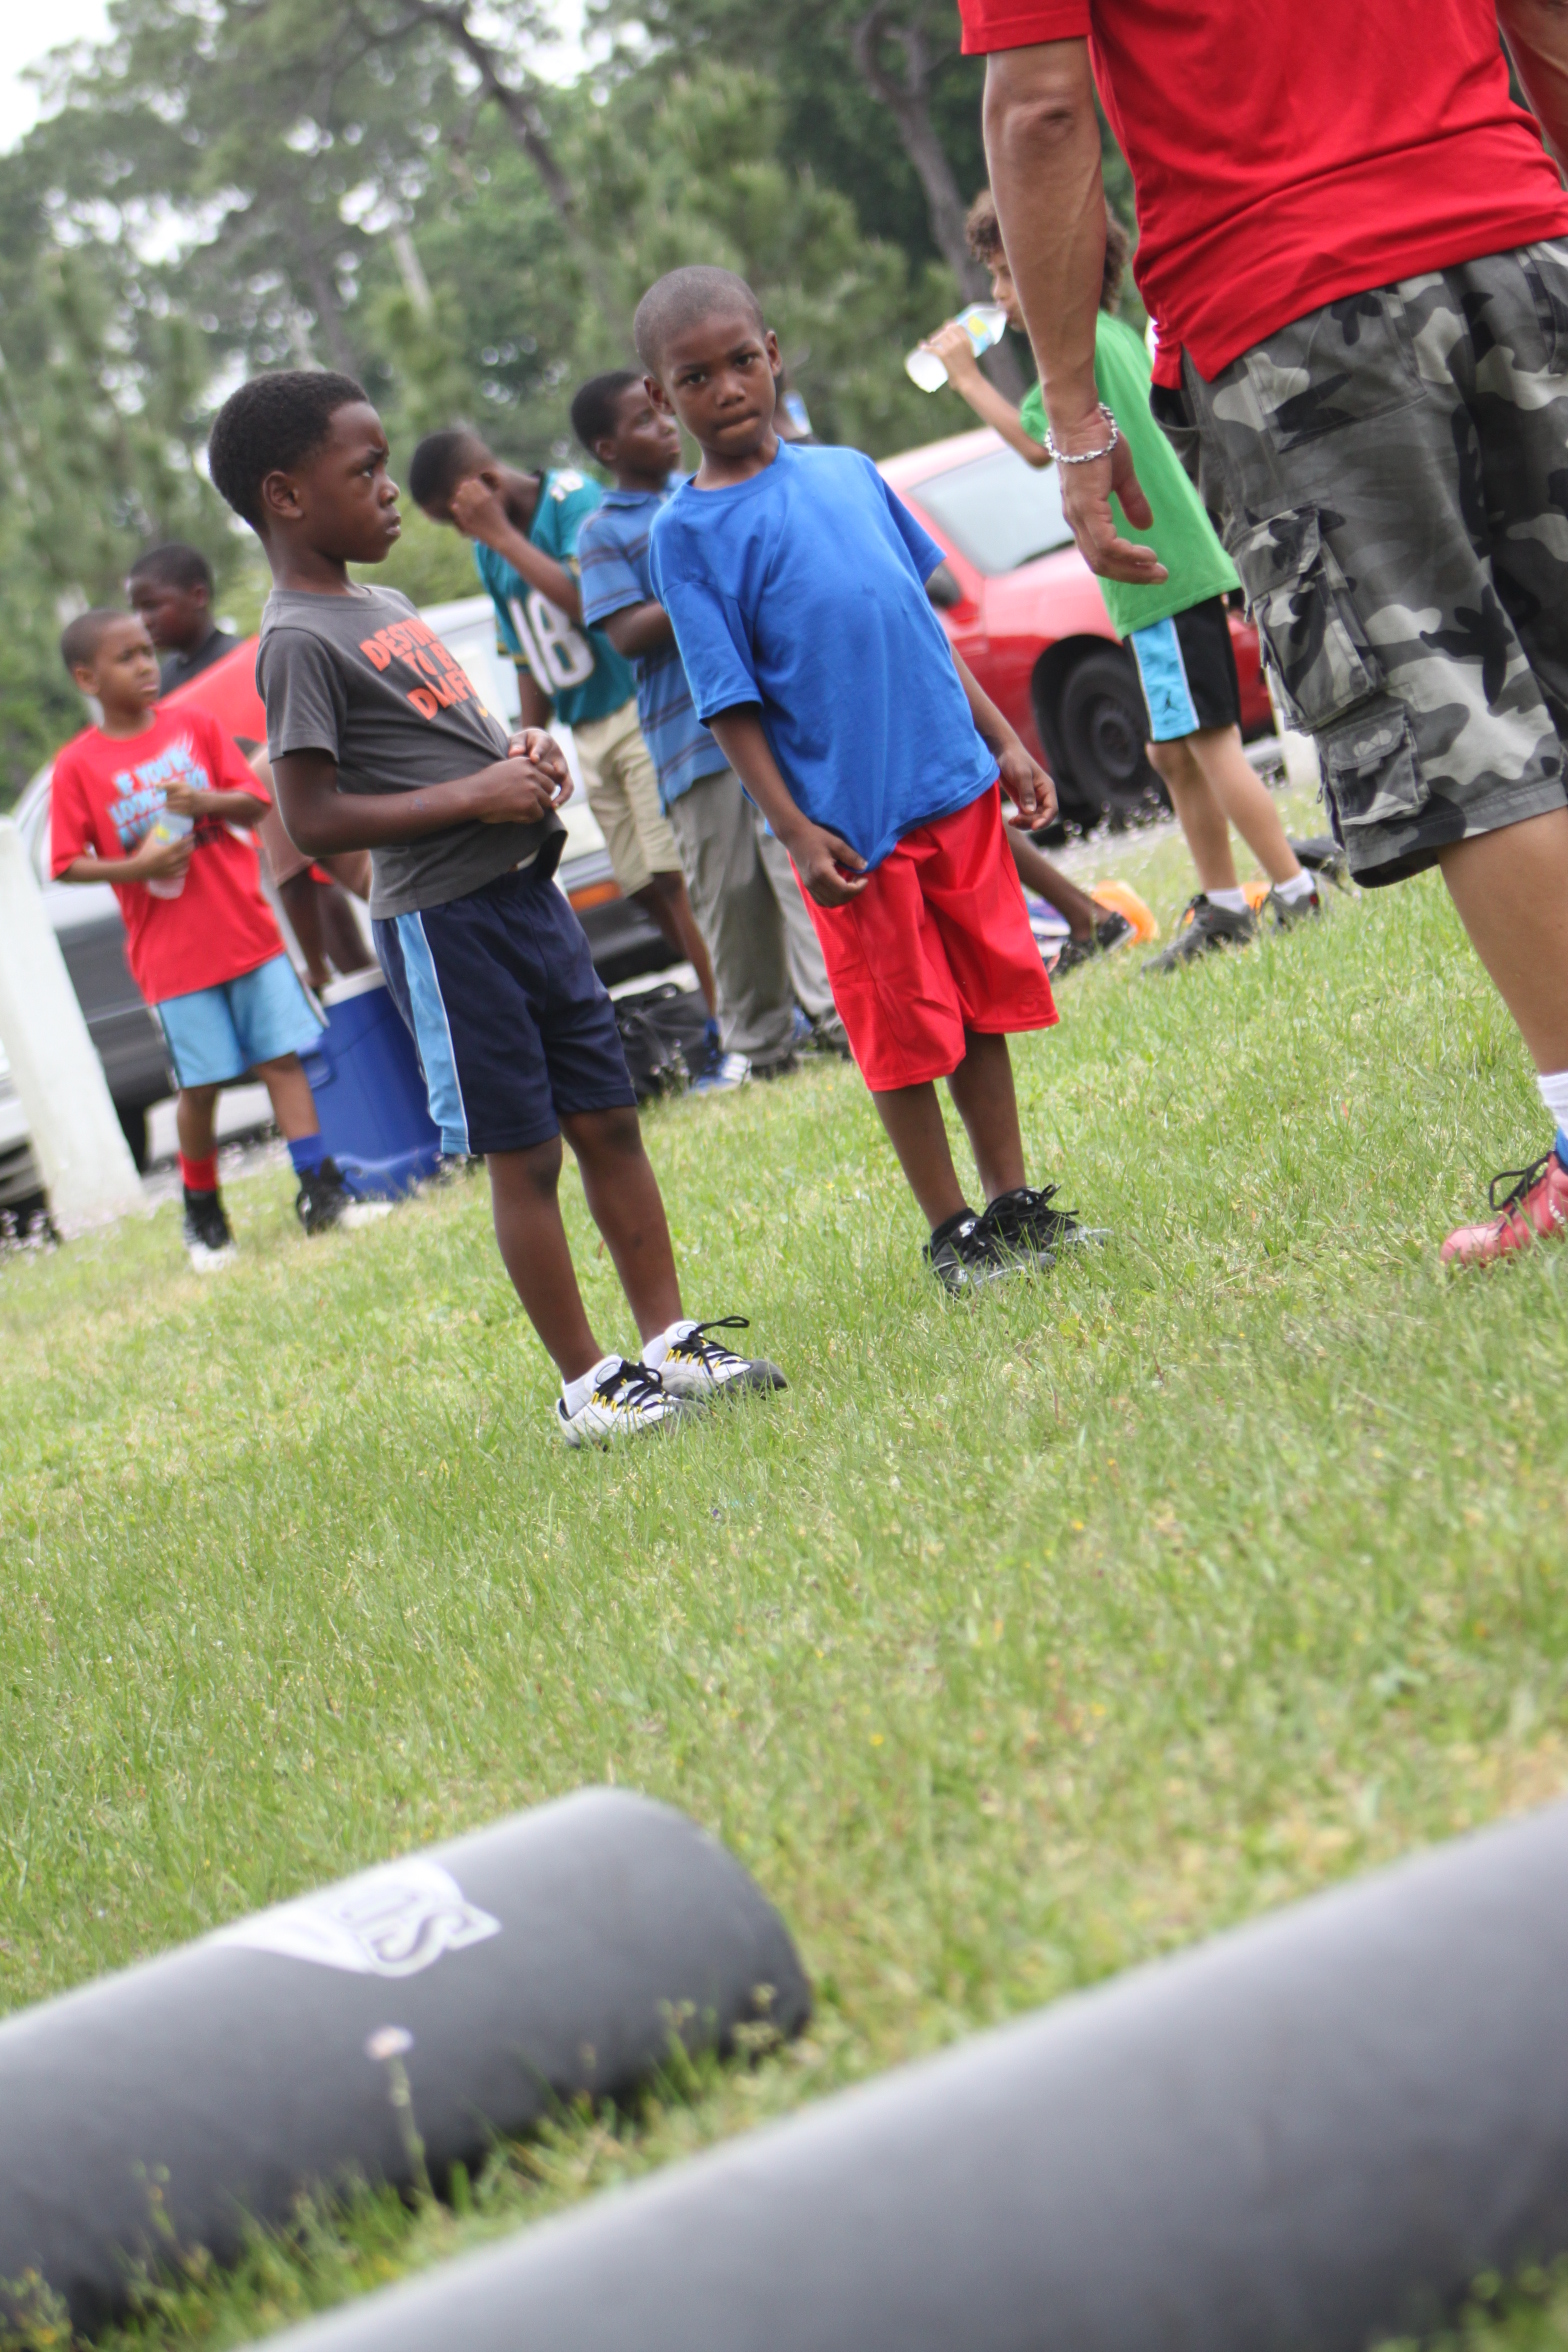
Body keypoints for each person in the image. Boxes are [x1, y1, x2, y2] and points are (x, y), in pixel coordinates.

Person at [972, 0, 1568, 1261]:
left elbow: (1040, 106)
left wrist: (1074, 419)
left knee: (1456, 721)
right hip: (1519, 229)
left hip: (1297, 302)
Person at [207, 368, 784, 1442]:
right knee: (527, 1152)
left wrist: (517, 752)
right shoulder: (295, 640)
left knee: (610, 1118)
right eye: (365, 472)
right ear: (285, 496)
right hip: (445, 924)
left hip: (527, 896)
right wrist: (477, 795)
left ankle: (667, 1342)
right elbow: (312, 816)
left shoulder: (384, 608)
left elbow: (446, 742)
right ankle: (587, 1384)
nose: (390, 491)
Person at [637, 265, 1105, 1291]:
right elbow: (727, 702)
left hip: (950, 785)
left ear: (773, 354)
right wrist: (795, 830)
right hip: (848, 825)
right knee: (899, 1026)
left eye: (741, 361)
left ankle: (1012, 1203)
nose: (726, 388)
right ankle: (951, 1231)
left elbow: (916, 619)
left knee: (980, 1003)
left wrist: (1003, 743)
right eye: (694, 377)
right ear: (658, 398)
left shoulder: (848, 471)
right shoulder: (687, 535)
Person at [926, 191, 1319, 971]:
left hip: (1155, 582)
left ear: (1055, 272)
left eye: (1007, 276)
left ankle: (1294, 888)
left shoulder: (1073, 357)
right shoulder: (1112, 335)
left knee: (1210, 745)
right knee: (1173, 754)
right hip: (1172, 574)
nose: (999, 296)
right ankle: (1225, 904)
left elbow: (1036, 447)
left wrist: (965, 378)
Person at [48, 608, 377, 1268]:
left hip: (247, 934)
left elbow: (255, 803)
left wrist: (204, 803)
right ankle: (203, 1215)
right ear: (87, 678)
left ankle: (321, 1192)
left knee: (283, 1061)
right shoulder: (78, 766)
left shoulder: (193, 726)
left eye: (147, 652)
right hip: (172, 960)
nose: (145, 666)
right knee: (200, 1088)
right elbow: (64, 863)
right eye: (125, 658)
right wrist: (137, 867)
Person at [572, 368, 849, 1084]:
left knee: (797, 867)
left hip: (764, 721)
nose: (664, 427)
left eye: (661, 415)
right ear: (607, 449)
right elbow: (626, 633)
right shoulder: (603, 531)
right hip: (691, 745)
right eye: (642, 421)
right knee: (730, 895)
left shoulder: (706, 493)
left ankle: (836, 1012)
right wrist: (704, 579)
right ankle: (760, 1041)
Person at [405, 427, 721, 1040]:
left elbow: (592, 605)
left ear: (485, 486)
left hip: (639, 708)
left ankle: (729, 1021)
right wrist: (525, 740)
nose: (464, 533)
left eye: (456, 518)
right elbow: (527, 654)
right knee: (642, 883)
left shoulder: (572, 501)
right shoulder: (488, 553)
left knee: (674, 875)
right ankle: (724, 1002)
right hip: (587, 726)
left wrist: (501, 535)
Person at [127, 540, 375, 990]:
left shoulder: (254, 655)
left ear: (197, 596)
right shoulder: (162, 693)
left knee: (337, 929)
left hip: (295, 816)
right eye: (137, 610)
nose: (144, 621)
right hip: (236, 841)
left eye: (153, 606)